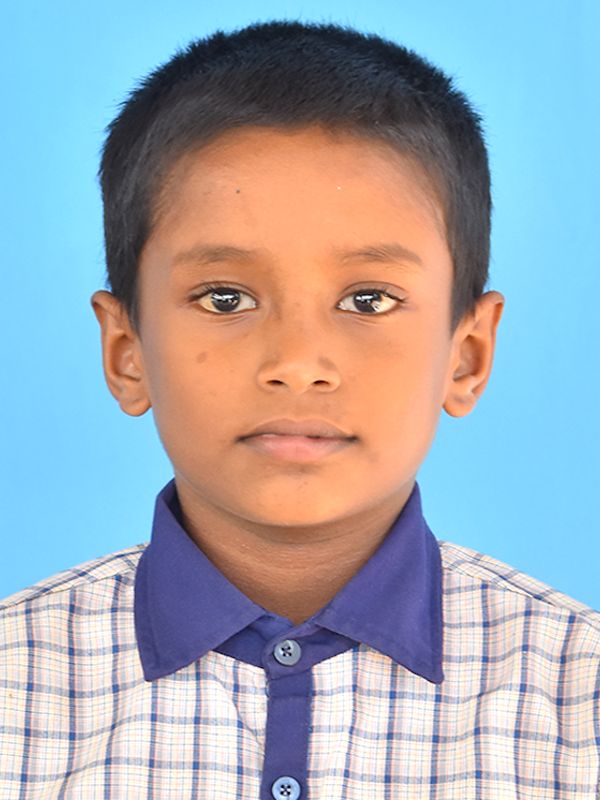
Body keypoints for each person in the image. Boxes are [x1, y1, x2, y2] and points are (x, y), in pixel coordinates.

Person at [1, 19, 598, 799]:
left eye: (368, 299)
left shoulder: (579, 700)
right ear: (126, 351)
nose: (297, 364)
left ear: (468, 355)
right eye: (225, 297)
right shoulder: (16, 689)